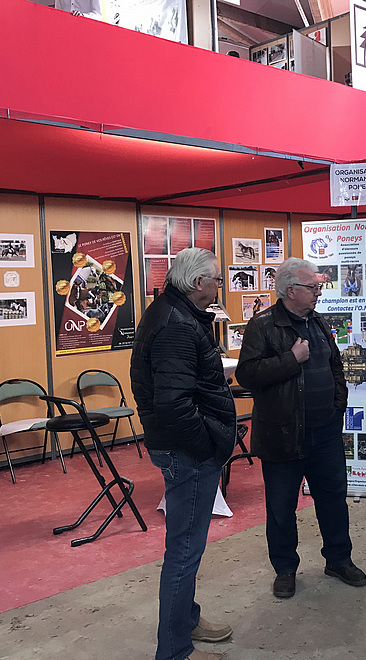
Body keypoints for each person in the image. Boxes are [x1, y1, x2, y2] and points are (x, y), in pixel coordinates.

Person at [235, 257, 366, 599]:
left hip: (325, 432)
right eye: (313, 287)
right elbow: (247, 375)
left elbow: (335, 366)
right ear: (290, 290)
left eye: (318, 287)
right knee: (281, 508)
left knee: (334, 500)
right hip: (283, 433)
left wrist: (338, 404)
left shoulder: (319, 323)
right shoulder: (262, 325)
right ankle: (285, 569)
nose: (318, 293)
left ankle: (339, 559)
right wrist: (291, 359)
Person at [130, 248, 237, 660]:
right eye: (216, 280)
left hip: (180, 446)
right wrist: (206, 446)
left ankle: (187, 620)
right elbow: (175, 404)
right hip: (186, 451)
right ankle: (173, 649)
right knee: (184, 552)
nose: (219, 287)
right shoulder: (177, 324)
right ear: (198, 283)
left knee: (186, 547)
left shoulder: (173, 312)